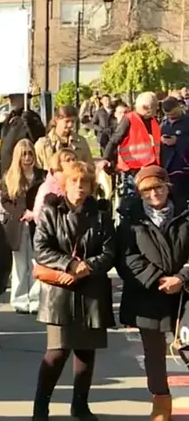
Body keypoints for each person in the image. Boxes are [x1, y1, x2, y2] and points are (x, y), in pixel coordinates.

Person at [32, 161, 115, 420]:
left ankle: (80, 405)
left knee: (86, 351)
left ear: (91, 186)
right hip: (60, 289)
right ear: (64, 184)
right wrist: (69, 264)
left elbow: (110, 251)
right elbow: (41, 248)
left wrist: (88, 266)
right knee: (57, 352)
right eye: (74, 182)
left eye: (85, 182)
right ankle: (40, 406)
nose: (79, 187)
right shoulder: (50, 211)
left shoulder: (101, 213)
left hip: (91, 288)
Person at [116, 165, 187, 421]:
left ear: (167, 186)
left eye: (158, 187)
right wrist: (158, 279)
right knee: (154, 354)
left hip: (185, 294)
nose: (153, 193)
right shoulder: (130, 220)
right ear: (139, 193)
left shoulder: (185, 212)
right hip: (147, 296)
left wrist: (181, 279)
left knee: (188, 348)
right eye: (146, 190)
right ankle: (161, 405)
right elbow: (126, 258)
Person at [0, 139, 45, 314]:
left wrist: (34, 213)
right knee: (19, 265)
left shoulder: (42, 175)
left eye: (30, 153)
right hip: (18, 225)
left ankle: (34, 300)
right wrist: (21, 212)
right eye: (24, 154)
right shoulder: (10, 176)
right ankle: (19, 299)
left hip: (37, 224)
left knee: (35, 261)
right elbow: (5, 200)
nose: (27, 158)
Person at [101, 92, 161, 202]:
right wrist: (105, 158)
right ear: (145, 107)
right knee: (131, 202)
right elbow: (114, 140)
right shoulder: (129, 119)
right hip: (131, 170)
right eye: (155, 107)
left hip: (149, 168)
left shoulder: (152, 121)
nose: (157, 109)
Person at [0, 93, 46, 178]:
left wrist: (29, 122)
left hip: (21, 168)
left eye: (13, 97)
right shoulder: (11, 116)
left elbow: (38, 136)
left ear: (23, 98)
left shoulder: (31, 117)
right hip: (6, 168)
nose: (10, 100)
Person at [34, 105, 94, 169]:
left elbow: (90, 167)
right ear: (56, 120)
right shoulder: (43, 144)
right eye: (67, 121)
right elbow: (36, 170)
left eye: (73, 121)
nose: (70, 125)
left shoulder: (81, 142)